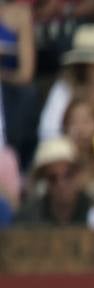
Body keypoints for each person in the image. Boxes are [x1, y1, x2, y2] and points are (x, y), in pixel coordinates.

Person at [15, 134, 92, 224]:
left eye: (68, 175)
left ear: (79, 175)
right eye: (52, 178)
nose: (61, 184)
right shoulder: (27, 217)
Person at [1, 0, 37, 168]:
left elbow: (25, 73)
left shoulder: (20, 14)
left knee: (28, 94)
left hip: (9, 87)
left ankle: (19, 163)